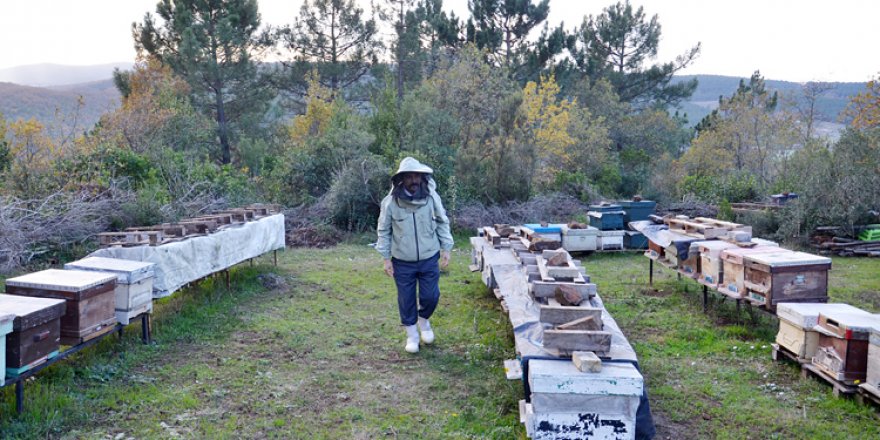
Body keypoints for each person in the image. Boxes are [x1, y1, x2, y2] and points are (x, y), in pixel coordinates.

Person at [376, 157, 454, 353]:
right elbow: (383, 230)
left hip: (429, 257)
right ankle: (412, 336)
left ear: (422, 177)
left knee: (431, 296)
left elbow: (442, 222)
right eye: (409, 176)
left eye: (416, 176)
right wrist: (386, 258)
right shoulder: (391, 203)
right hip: (402, 260)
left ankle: (424, 320)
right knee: (406, 299)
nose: (413, 180)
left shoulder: (431, 198)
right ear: (402, 179)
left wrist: (446, 248)